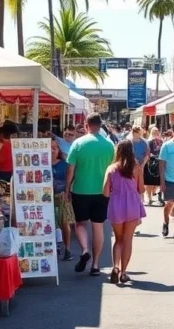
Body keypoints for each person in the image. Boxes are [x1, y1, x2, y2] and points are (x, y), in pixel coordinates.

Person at [65, 113, 116, 276]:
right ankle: (95, 264)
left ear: (86, 125)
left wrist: (67, 188)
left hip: (80, 190)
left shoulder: (78, 143)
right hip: (102, 191)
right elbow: (112, 169)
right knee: (98, 226)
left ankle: (85, 249)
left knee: (80, 224)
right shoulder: (109, 145)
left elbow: (70, 169)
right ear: (100, 125)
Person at [103, 140, 146, 284]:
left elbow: (105, 192)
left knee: (118, 239)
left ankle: (115, 267)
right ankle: (123, 272)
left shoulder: (111, 168)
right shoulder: (137, 167)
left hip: (116, 205)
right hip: (132, 205)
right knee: (128, 239)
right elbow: (142, 189)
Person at [51, 138, 75, 262]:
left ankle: (67, 249)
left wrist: (67, 190)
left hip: (61, 196)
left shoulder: (64, 164)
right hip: (46, 198)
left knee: (65, 222)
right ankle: (54, 245)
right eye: (49, 148)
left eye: (54, 148)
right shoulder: (41, 164)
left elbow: (71, 179)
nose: (51, 151)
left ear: (59, 150)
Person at [144, 127, 163, 205]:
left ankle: (152, 195)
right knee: (149, 182)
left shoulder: (161, 141)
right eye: (154, 131)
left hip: (158, 163)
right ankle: (149, 198)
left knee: (156, 182)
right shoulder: (149, 141)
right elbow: (147, 152)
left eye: (157, 131)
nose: (156, 133)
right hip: (150, 164)